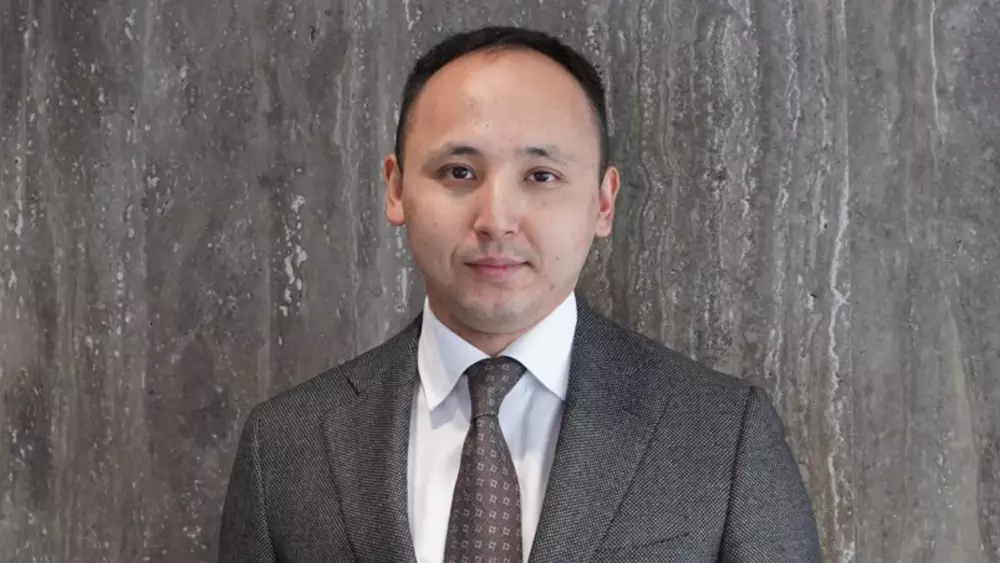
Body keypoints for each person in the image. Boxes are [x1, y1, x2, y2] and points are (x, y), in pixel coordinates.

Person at [218, 25, 821, 563]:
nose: (497, 220)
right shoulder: (286, 447)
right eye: (459, 172)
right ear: (397, 188)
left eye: (541, 176)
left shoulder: (721, 434)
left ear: (602, 201)